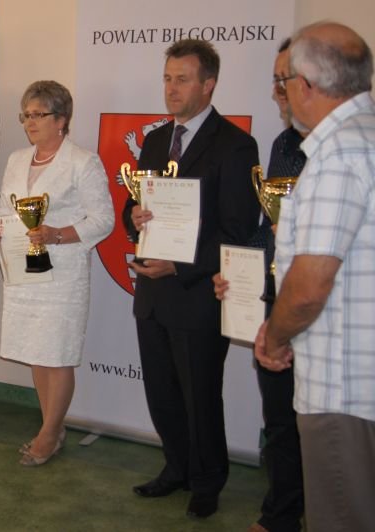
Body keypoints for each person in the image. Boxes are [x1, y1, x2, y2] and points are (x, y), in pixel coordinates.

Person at [122, 39, 260, 519]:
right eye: (167, 78)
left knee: (200, 396)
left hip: (198, 294)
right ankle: (176, 467)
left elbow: (238, 229)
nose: (171, 88)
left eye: (182, 79)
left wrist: (179, 265)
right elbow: (136, 204)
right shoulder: (156, 140)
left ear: (208, 84)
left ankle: (207, 481)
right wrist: (133, 216)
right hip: (152, 293)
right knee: (161, 392)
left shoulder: (236, 145)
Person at [254, 22, 375, 532]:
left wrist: (275, 337)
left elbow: (308, 288)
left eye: (283, 82)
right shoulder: (365, 136)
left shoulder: (337, 154)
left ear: (304, 84)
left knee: (342, 515)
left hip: (341, 385)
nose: (281, 92)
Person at [0, 81, 113, 466]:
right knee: (37, 352)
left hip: (62, 273)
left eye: (38, 115)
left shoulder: (82, 162)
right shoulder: (17, 159)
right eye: (26, 115)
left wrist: (57, 234)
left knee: (57, 354)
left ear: (61, 119)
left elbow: (103, 220)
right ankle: (51, 427)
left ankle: (49, 433)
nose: (30, 122)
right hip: (23, 272)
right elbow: (5, 209)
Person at [213, 39, 306, 532]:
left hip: (322, 309)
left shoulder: (349, 150)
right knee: (280, 420)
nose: (275, 93)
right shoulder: (283, 146)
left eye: (282, 81)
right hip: (276, 301)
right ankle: (280, 515)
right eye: (274, 82)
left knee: (326, 429)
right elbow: (267, 227)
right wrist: (237, 267)